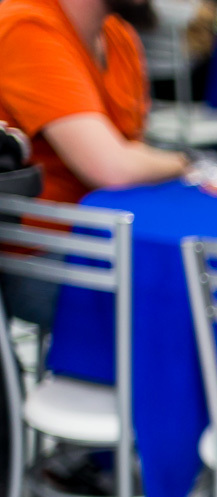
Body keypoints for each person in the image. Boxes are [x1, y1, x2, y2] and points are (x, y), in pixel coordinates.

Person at [0, 0, 189, 330]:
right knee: (185, 302)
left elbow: (129, 156)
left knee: (195, 279)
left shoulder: (116, 35)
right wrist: (184, 162)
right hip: (41, 256)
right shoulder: (26, 26)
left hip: (104, 233)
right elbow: (112, 167)